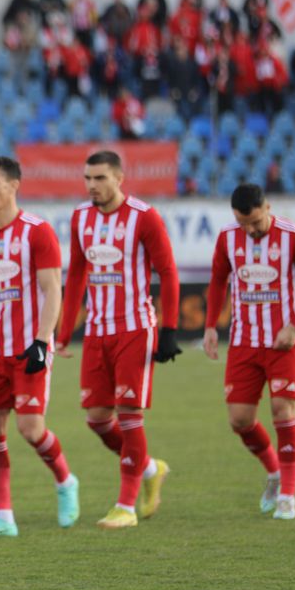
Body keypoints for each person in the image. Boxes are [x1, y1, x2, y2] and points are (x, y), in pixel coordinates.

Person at [57, 150, 180, 530]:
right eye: (87, 179)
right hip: (97, 332)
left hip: (134, 329)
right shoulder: (80, 217)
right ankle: (150, 469)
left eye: (100, 178)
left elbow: (168, 271)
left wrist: (169, 329)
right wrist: (65, 331)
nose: (92, 185)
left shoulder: (144, 216)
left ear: (119, 178)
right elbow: (76, 275)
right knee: (97, 419)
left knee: (128, 415)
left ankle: (125, 506)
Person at [0, 157, 78, 538]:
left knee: (31, 429)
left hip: (28, 347)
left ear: (14, 185)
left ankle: (65, 481)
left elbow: (52, 289)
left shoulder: (37, 231)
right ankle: (3, 517)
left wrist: (42, 341)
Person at [202, 185, 295, 520]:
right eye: (244, 224)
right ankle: (274, 472)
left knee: (283, 411)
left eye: (256, 222)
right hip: (243, 342)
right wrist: (211, 326)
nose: (251, 230)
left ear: (268, 207)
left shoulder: (294, 236)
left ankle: (287, 496)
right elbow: (218, 281)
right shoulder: (228, 238)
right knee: (239, 419)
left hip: (283, 343)